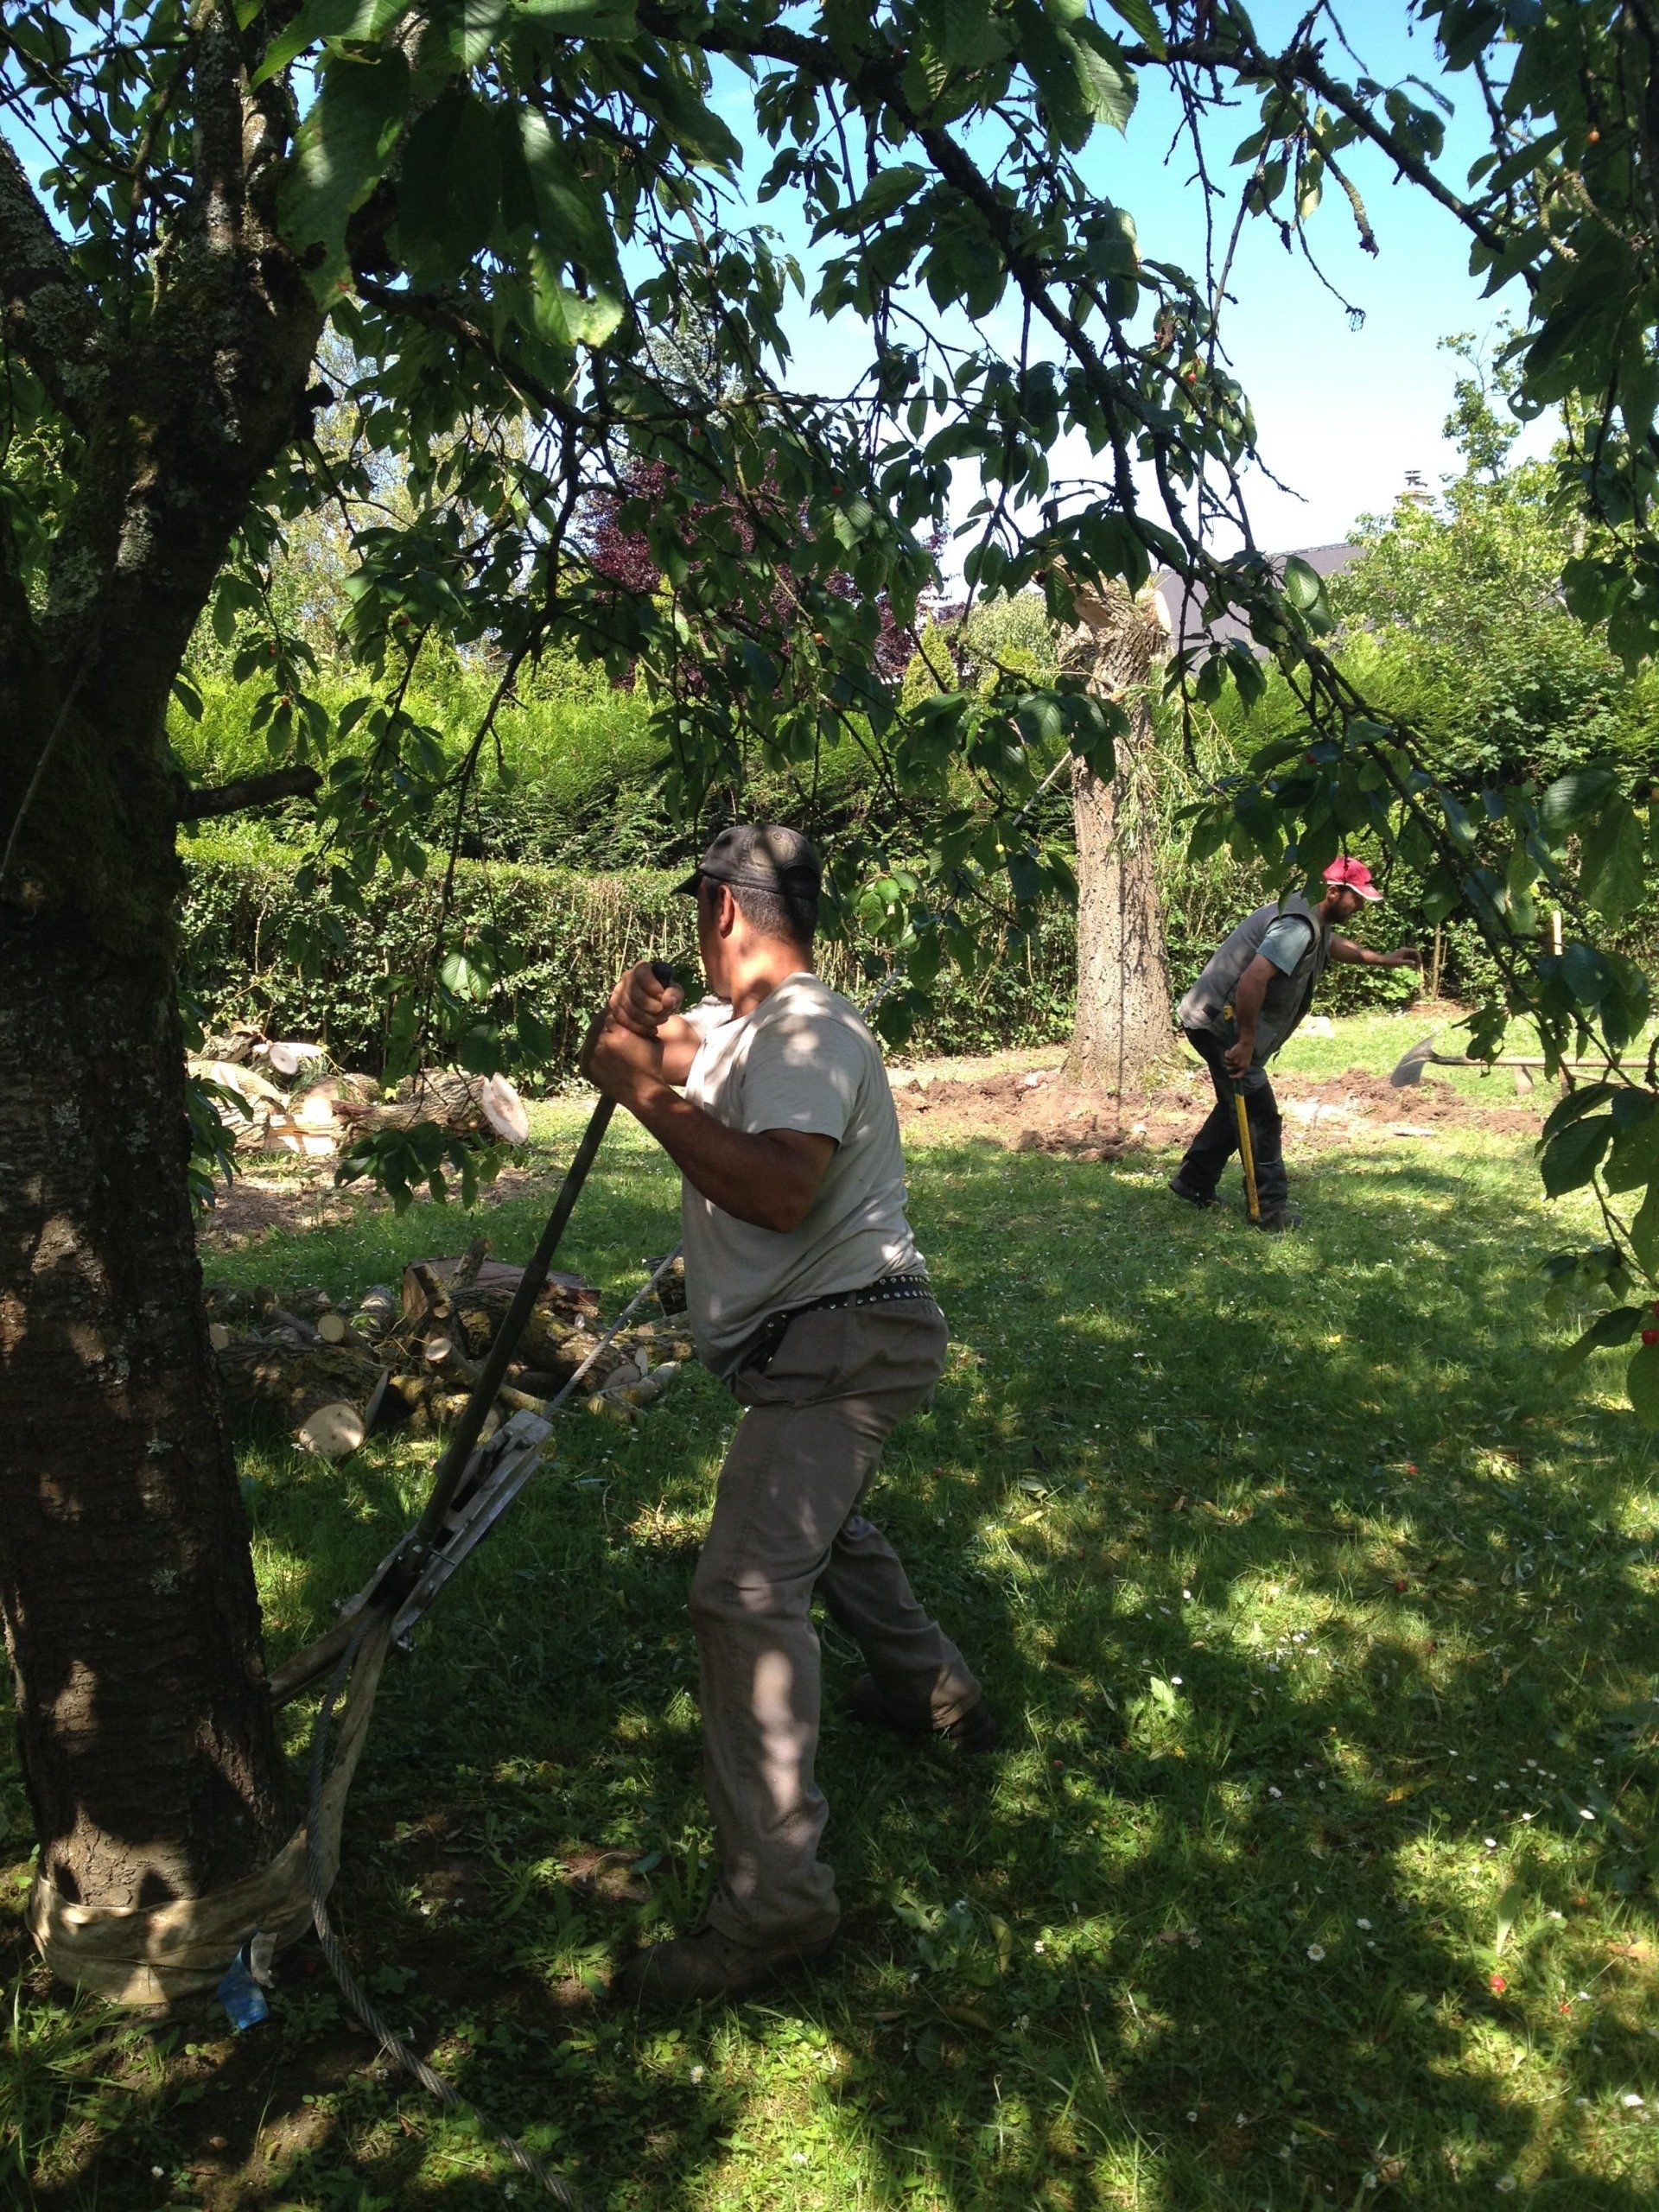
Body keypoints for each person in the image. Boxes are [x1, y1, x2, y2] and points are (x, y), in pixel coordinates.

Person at [582, 823, 995, 2006]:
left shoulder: (809, 1030)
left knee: (745, 1591)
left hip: (844, 1337)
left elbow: (775, 1188)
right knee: (822, 1524)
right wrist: (622, 1026)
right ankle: (935, 1694)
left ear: (721, 910)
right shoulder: (740, 1030)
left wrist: (642, 1093)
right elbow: (622, 1052)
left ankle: (776, 1910)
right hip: (833, 1339)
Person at [1169, 857, 1419, 1230]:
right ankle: (1269, 1210)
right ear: (1334, 892)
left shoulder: (1310, 915)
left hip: (1213, 1017)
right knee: (1261, 1115)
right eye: (1358, 898)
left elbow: (1331, 946)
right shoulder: (1296, 927)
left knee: (1235, 1104)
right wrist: (1246, 1041)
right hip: (1220, 1023)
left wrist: (1382, 960)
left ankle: (1193, 1182)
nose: (1362, 907)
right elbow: (1252, 980)